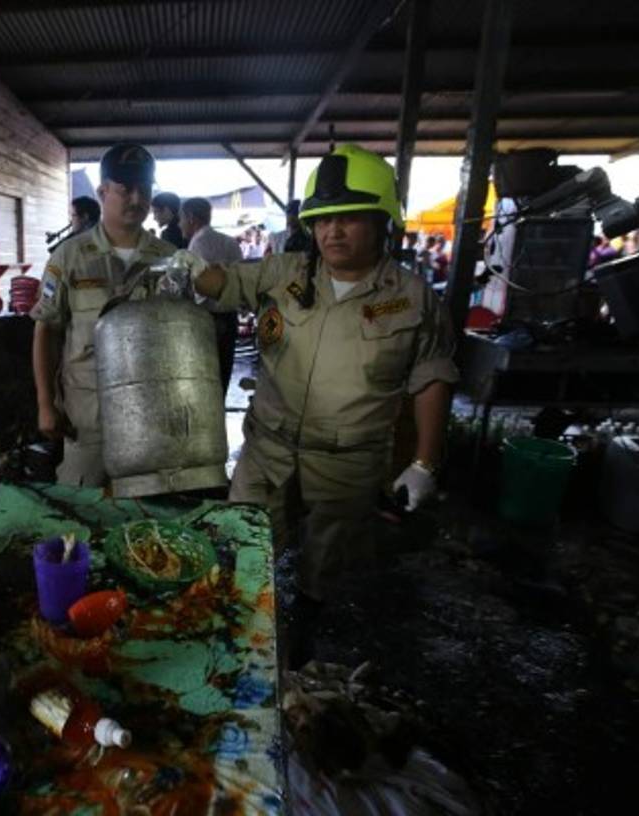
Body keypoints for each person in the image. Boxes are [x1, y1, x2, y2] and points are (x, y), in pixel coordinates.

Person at [178, 144, 459, 594]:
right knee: (238, 559)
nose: (333, 231)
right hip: (266, 454)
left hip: (347, 468)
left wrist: (425, 463)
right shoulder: (283, 272)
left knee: (326, 579)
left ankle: (307, 657)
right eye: (323, 220)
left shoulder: (414, 298)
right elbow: (224, 283)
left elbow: (432, 378)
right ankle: (244, 649)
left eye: (348, 218)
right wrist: (182, 265)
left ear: (382, 219)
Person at [30, 143, 177, 486]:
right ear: (102, 191)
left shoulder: (169, 257)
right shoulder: (69, 257)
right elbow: (46, 331)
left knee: (144, 517)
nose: (136, 199)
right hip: (87, 418)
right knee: (82, 511)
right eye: (125, 189)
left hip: (150, 417)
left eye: (144, 189)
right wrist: (45, 403)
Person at [180, 196, 243, 396]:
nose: (180, 225)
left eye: (181, 219)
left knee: (205, 380)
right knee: (223, 375)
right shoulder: (230, 242)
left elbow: (199, 290)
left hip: (208, 319)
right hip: (230, 318)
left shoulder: (197, 245)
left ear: (190, 218)